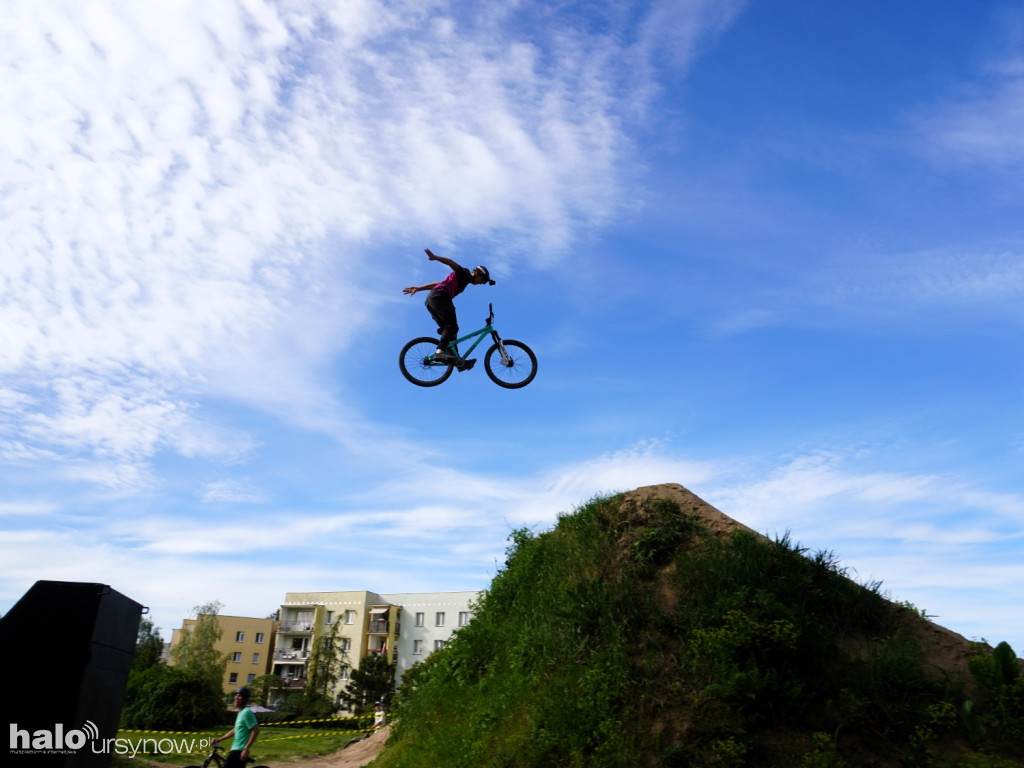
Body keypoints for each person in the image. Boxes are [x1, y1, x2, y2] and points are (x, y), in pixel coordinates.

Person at [403, 248, 495, 363]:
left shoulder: (463, 281)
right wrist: (435, 257)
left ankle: (457, 360)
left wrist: (418, 288)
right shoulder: (465, 274)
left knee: (450, 331)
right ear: (477, 272)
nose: (481, 283)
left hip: (431, 300)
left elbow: (437, 284)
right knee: (452, 327)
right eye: (483, 279)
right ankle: (440, 351)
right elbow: (451, 263)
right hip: (440, 297)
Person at [213, 687, 260, 768]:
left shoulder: (246, 712)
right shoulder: (240, 713)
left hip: (239, 750)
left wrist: (246, 749)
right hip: (235, 748)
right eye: (236, 695)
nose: (236, 697)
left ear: (245, 699)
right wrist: (219, 739)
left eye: (239, 696)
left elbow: (255, 730)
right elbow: (235, 730)